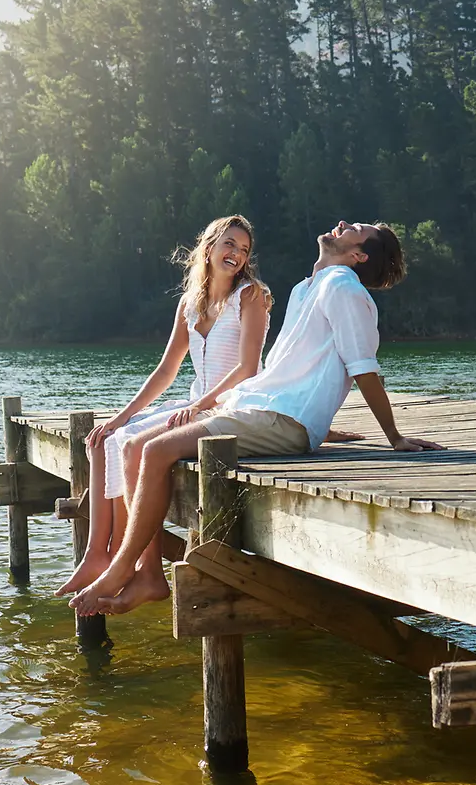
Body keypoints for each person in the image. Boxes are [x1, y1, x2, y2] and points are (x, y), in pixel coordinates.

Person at [70, 220, 443, 617]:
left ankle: (126, 568)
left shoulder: (343, 287)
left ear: (359, 255)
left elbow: (363, 367)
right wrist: (323, 426)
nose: (342, 224)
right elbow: (287, 372)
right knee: (133, 444)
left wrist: (394, 436)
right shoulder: (306, 289)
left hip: (280, 420)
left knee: (157, 451)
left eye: (355, 228)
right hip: (257, 409)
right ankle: (145, 573)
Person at [55, 215, 272, 606]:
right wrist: (121, 416)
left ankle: (145, 573)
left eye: (243, 250)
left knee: (134, 448)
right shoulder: (191, 304)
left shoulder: (251, 296)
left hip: (233, 406)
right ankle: (103, 558)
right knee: (111, 440)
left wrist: (202, 405)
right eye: (229, 244)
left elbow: (248, 369)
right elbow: (166, 370)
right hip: (197, 403)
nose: (236, 254)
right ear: (208, 248)